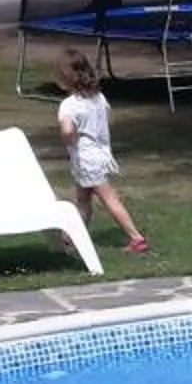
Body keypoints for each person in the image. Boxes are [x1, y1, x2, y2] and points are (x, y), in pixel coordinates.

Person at [55, 51, 150, 254]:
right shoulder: (98, 98)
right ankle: (73, 236)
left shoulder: (69, 106)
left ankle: (136, 238)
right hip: (101, 154)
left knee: (108, 198)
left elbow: (67, 131)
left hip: (86, 159)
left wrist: (67, 140)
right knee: (83, 198)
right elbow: (108, 118)